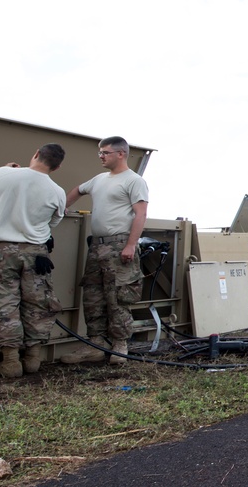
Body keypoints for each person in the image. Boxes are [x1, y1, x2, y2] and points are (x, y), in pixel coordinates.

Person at [0, 144, 67, 378]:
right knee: (38, 304)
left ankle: (11, 361)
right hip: (38, 254)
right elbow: (53, 223)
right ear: (57, 166)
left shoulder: (3, 174)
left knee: (2, 303)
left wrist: (1, 169)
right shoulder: (58, 191)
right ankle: (33, 358)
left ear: (35, 154)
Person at [61, 136, 148, 364]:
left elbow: (140, 214)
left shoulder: (133, 181)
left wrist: (131, 244)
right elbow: (78, 190)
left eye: (105, 152)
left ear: (121, 154)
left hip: (119, 245)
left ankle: (120, 346)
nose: (101, 156)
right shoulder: (99, 179)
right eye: (100, 152)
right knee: (93, 295)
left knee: (117, 297)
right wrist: (62, 208)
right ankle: (96, 345)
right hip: (97, 245)